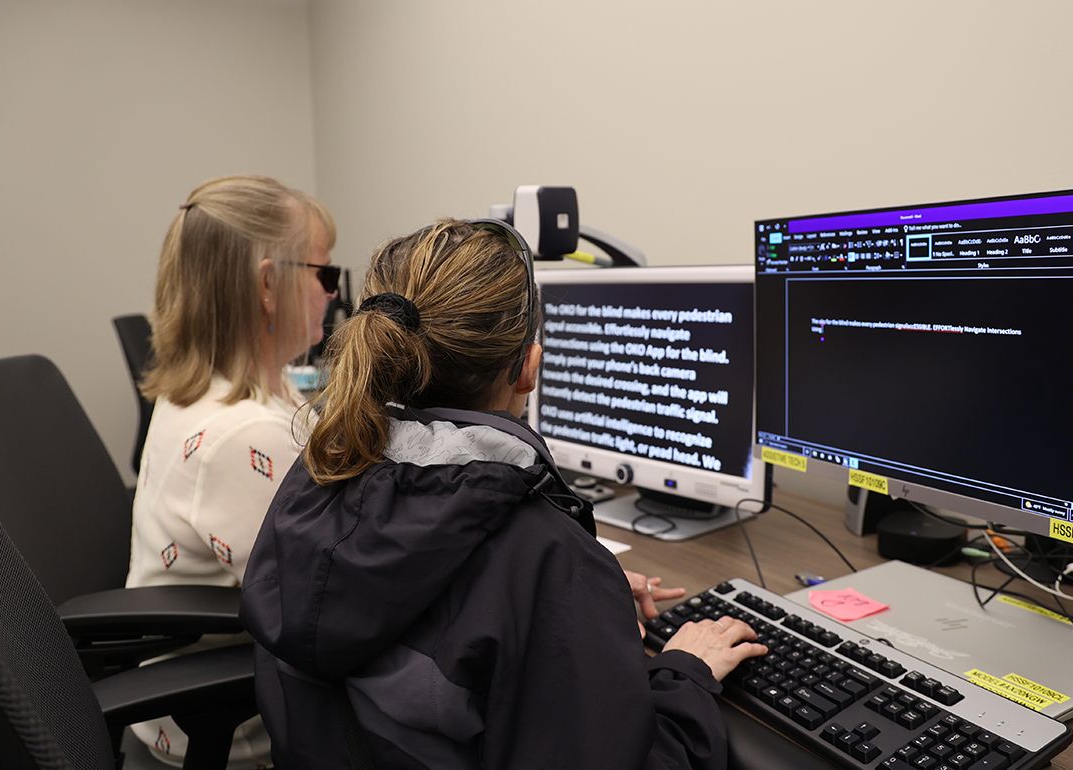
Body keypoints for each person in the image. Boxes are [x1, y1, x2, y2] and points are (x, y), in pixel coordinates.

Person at [240, 219, 768, 769]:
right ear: (528, 369)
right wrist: (684, 670)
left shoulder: (318, 478)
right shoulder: (543, 553)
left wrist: (577, 598)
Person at [127, 174, 337, 768]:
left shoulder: (213, 393)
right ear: (269, 285)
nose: (332, 294)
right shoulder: (245, 435)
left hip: (202, 680)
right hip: (228, 720)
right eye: (323, 274)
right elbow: (329, 606)